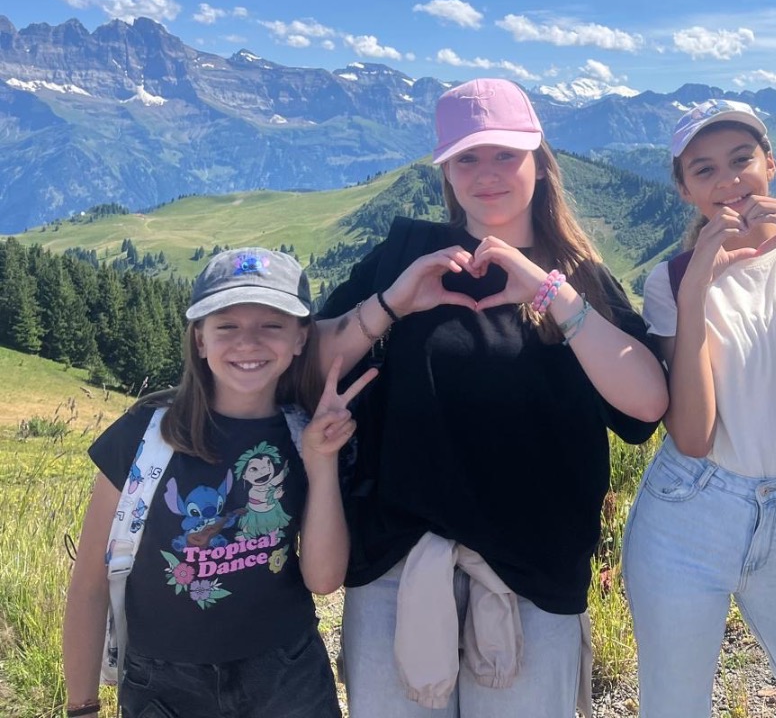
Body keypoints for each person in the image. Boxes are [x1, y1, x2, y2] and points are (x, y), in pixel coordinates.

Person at [314, 77, 668, 718]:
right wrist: (391, 303)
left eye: (505, 154)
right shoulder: (406, 255)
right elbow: (310, 370)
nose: (486, 174)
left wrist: (553, 296)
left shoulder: (578, 276)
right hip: (398, 571)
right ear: (446, 172)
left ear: (539, 159)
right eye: (466, 158)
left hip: (532, 577)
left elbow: (646, 405)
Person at [622, 98, 776, 718]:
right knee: (673, 706)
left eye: (742, 160)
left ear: (772, 164)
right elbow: (693, 434)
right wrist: (695, 292)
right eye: (703, 170)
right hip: (689, 512)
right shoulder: (672, 279)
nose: (728, 181)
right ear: (684, 190)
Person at [62, 248, 369, 718]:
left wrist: (321, 462)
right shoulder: (146, 434)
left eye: (271, 325)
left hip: (285, 675)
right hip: (162, 682)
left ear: (301, 338)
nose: (247, 342)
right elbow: (89, 582)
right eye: (226, 325)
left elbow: (324, 581)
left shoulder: (304, 434)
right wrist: (82, 707)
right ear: (200, 339)